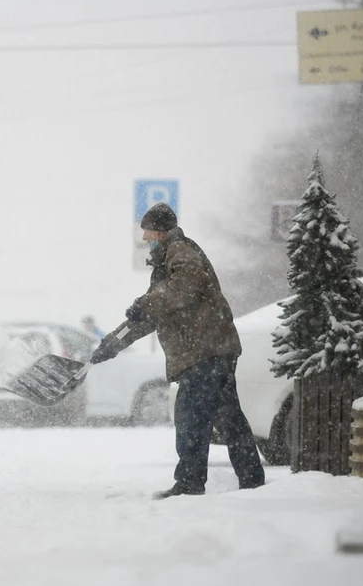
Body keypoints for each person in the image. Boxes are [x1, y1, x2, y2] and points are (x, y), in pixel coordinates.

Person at [89, 203, 264, 499]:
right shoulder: (164, 263)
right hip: (212, 349)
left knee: (191, 418)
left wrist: (145, 304)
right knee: (229, 419)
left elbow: (183, 289)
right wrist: (111, 345)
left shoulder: (180, 251)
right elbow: (152, 314)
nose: (144, 237)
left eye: (146, 231)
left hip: (204, 351)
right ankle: (252, 482)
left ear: (159, 230)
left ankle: (190, 484)